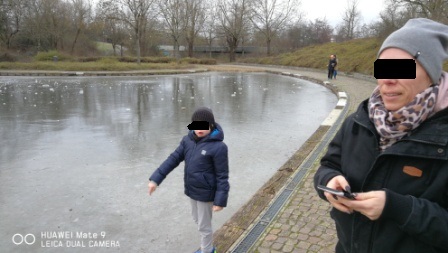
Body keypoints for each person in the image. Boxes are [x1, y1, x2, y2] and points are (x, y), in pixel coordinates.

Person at [314, 18, 448, 253]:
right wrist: (328, 182)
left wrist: (398, 208)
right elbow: (328, 165)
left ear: (431, 74)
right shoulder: (358, 121)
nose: (387, 80)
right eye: (382, 68)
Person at [148, 107, 229, 253]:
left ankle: (208, 250)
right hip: (192, 190)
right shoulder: (187, 141)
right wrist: (156, 179)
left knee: (204, 227)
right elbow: (173, 159)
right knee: (197, 220)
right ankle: (208, 247)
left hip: (206, 193)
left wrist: (220, 200)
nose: (200, 128)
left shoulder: (219, 147)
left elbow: (222, 175)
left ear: (211, 125)